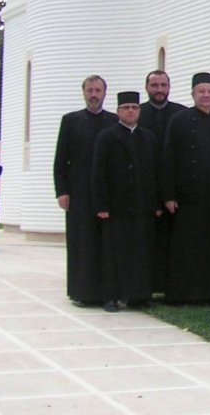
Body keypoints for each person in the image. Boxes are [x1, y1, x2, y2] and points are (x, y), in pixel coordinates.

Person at [161, 72, 210, 304]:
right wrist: (168, 194)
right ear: (193, 94)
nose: (206, 96)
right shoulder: (179, 120)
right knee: (187, 247)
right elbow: (168, 158)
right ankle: (183, 294)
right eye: (201, 92)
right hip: (187, 197)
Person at [91, 92, 162, 312]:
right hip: (115, 206)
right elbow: (98, 173)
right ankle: (111, 297)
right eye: (126, 107)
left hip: (142, 205)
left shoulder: (149, 138)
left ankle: (138, 296)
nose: (130, 111)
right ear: (118, 111)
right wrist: (101, 205)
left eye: (134, 107)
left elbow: (156, 173)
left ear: (139, 111)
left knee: (141, 252)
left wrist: (157, 204)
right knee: (113, 254)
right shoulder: (106, 137)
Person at [54, 75, 118, 304]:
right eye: (90, 90)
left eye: (98, 90)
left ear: (104, 93)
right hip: (78, 193)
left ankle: (106, 293)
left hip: (107, 194)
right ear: (83, 92)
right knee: (82, 243)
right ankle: (81, 293)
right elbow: (60, 159)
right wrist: (61, 191)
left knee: (105, 244)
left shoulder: (114, 121)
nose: (94, 94)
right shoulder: (71, 121)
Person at [138, 69, 186, 296]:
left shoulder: (181, 114)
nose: (159, 90)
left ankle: (169, 284)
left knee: (172, 240)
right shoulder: (137, 113)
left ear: (169, 87)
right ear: (147, 87)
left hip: (173, 189)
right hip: (143, 187)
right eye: (154, 85)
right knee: (145, 240)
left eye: (163, 85)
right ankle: (146, 284)